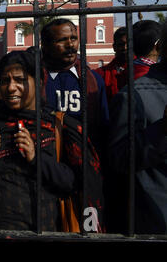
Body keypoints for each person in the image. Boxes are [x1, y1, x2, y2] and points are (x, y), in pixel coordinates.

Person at [0, 50, 104, 232]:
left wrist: (36, 158)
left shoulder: (56, 126)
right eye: (6, 80)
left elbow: (78, 183)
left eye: (20, 80)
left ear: (39, 81)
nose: (11, 87)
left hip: (47, 232)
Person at [108, 21, 167, 234]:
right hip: (156, 223)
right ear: (161, 47)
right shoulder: (135, 96)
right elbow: (119, 160)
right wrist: (162, 130)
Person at [41, 18, 109, 158]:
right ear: (46, 46)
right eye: (62, 40)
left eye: (73, 38)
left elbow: (103, 127)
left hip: (85, 159)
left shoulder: (94, 81)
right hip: (45, 159)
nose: (70, 44)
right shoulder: (36, 80)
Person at [95, 27, 128, 105]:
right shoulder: (100, 74)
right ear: (114, 47)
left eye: (129, 44)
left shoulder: (141, 70)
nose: (125, 48)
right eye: (121, 44)